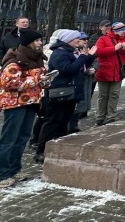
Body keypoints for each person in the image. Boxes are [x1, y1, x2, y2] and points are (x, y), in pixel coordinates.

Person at [0, 29, 48, 187]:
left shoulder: (35, 59)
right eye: (37, 41)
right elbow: (9, 83)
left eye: (40, 40)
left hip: (30, 102)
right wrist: (37, 78)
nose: (40, 43)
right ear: (29, 43)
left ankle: (14, 170)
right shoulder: (15, 60)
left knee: (22, 138)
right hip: (14, 103)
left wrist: (44, 81)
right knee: (9, 139)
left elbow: (32, 81)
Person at [35, 30, 96, 163]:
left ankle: (59, 147)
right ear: (69, 40)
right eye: (76, 39)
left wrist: (89, 56)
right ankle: (41, 150)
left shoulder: (72, 52)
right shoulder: (60, 53)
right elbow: (68, 69)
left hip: (70, 92)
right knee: (52, 121)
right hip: (60, 93)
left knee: (64, 121)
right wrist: (82, 58)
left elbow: (80, 67)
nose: (79, 41)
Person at [0, 16, 30, 123]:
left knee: (22, 89)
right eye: (23, 22)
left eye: (27, 22)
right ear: (16, 24)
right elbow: (0, 50)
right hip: (9, 68)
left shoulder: (32, 36)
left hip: (25, 69)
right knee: (1, 89)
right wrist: (3, 62)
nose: (25, 24)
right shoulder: (9, 36)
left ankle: (20, 112)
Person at [95, 21, 125, 125]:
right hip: (104, 71)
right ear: (115, 30)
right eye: (122, 30)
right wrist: (114, 48)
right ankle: (100, 116)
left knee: (114, 94)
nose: (124, 32)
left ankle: (111, 117)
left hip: (118, 72)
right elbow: (98, 52)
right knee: (103, 95)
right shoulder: (103, 39)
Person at [68, 32, 97, 132]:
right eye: (83, 39)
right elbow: (75, 67)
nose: (86, 41)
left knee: (80, 104)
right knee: (73, 106)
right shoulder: (72, 52)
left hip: (84, 81)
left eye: (86, 39)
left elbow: (88, 63)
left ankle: (74, 126)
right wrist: (86, 70)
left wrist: (91, 57)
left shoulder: (84, 50)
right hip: (74, 82)